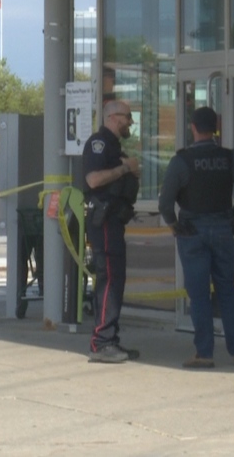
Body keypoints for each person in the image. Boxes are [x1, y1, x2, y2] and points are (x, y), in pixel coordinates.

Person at [158, 107, 234, 369]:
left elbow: (165, 203)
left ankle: (204, 353)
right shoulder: (228, 157)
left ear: (192, 127)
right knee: (228, 291)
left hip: (192, 233)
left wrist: (175, 226)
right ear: (216, 128)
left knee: (199, 294)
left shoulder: (182, 161)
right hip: (223, 229)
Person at [83, 100, 140, 363]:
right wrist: (125, 168)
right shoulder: (99, 143)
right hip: (104, 221)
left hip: (114, 221)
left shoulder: (114, 146)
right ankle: (102, 342)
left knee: (116, 281)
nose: (131, 122)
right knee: (108, 280)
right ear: (114, 117)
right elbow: (94, 179)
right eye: (128, 117)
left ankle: (110, 339)